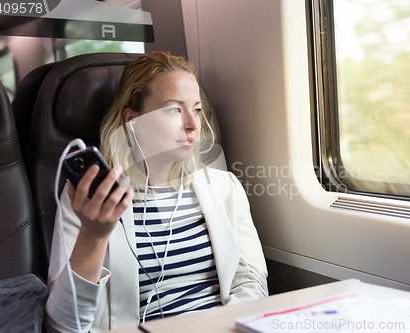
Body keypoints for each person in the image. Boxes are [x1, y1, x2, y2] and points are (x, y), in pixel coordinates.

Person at [45, 51, 268, 333]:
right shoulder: (92, 198)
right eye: (174, 109)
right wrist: (93, 236)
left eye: (197, 109)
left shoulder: (225, 187)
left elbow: (252, 282)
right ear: (133, 121)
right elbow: (63, 326)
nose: (192, 123)